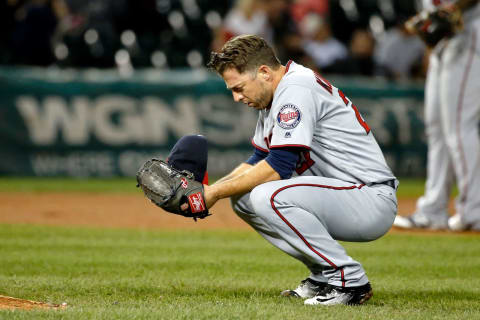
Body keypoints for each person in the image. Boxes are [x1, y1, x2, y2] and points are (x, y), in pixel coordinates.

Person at [205, 34, 398, 306]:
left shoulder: (296, 88)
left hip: (368, 198)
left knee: (267, 196)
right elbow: (257, 159)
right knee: (245, 198)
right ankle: (323, 274)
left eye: (238, 88)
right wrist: (206, 192)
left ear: (264, 72)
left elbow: (278, 167)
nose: (237, 97)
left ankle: (349, 280)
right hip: (342, 194)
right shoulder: (276, 93)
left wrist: (214, 192)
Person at [394, 0, 480, 231]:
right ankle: (433, 211)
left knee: (460, 126)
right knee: (437, 129)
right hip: (444, 43)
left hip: (470, 34)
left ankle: (475, 210)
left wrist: (455, 8)